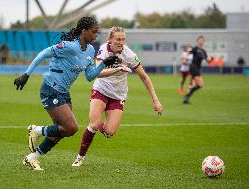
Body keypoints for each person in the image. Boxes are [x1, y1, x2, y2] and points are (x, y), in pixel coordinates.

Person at [13, 17, 119, 171]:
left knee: (62, 131)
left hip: (63, 92)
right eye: (94, 32)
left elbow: (89, 76)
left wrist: (104, 63)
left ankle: (32, 158)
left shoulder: (90, 50)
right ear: (84, 31)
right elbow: (44, 53)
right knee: (71, 128)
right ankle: (36, 130)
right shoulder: (70, 47)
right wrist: (26, 74)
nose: (96, 35)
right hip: (50, 89)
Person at [71, 26, 163, 167]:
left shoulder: (129, 55)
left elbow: (144, 77)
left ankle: (99, 125)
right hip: (101, 90)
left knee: (109, 132)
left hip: (118, 96)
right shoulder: (103, 50)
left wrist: (155, 100)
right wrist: (118, 69)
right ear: (110, 40)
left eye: (123, 39)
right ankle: (80, 157)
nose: (121, 42)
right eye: (118, 39)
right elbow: (98, 73)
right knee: (94, 124)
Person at [183, 35, 212, 104]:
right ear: (197, 41)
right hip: (193, 68)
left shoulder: (204, 51)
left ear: (204, 41)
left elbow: (207, 60)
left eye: (202, 40)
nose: (201, 41)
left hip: (197, 68)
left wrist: (211, 59)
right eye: (200, 40)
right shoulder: (195, 48)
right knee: (200, 84)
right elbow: (189, 51)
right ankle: (187, 96)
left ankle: (186, 98)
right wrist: (185, 58)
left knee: (192, 85)